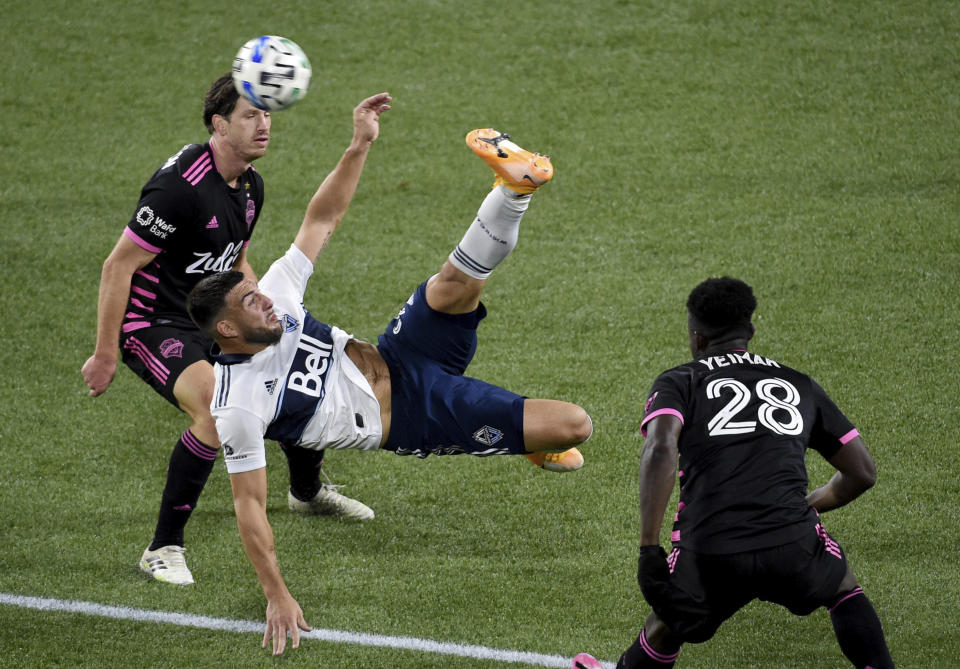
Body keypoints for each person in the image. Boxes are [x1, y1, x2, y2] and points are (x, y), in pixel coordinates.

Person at [186, 92, 592, 654]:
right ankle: (524, 442)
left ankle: (515, 188)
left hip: (398, 355)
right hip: (415, 416)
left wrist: (359, 145)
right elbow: (249, 509)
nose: (267, 303)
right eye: (251, 304)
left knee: (455, 285)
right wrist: (276, 594)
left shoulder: (275, 295)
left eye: (258, 292)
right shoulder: (236, 405)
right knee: (575, 425)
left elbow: (322, 217)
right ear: (227, 331)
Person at [80, 73, 373, 588]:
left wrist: (262, 304)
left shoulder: (250, 186)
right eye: (251, 116)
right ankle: (163, 547)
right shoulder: (178, 189)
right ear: (219, 124)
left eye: (267, 115)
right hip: (153, 323)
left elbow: (233, 258)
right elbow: (117, 267)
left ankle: (305, 492)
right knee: (215, 408)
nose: (265, 126)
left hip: (215, 314)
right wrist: (105, 353)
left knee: (290, 364)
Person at [574, 277, 893, 669]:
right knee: (843, 587)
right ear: (751, 332)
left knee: (667, 621)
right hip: (790, 544)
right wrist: (804, 507)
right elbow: (862, 472)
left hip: (711, 549)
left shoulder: (681, 380)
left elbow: (660, 448)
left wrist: (647, 548)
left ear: (697, 339)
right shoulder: (799, 384)